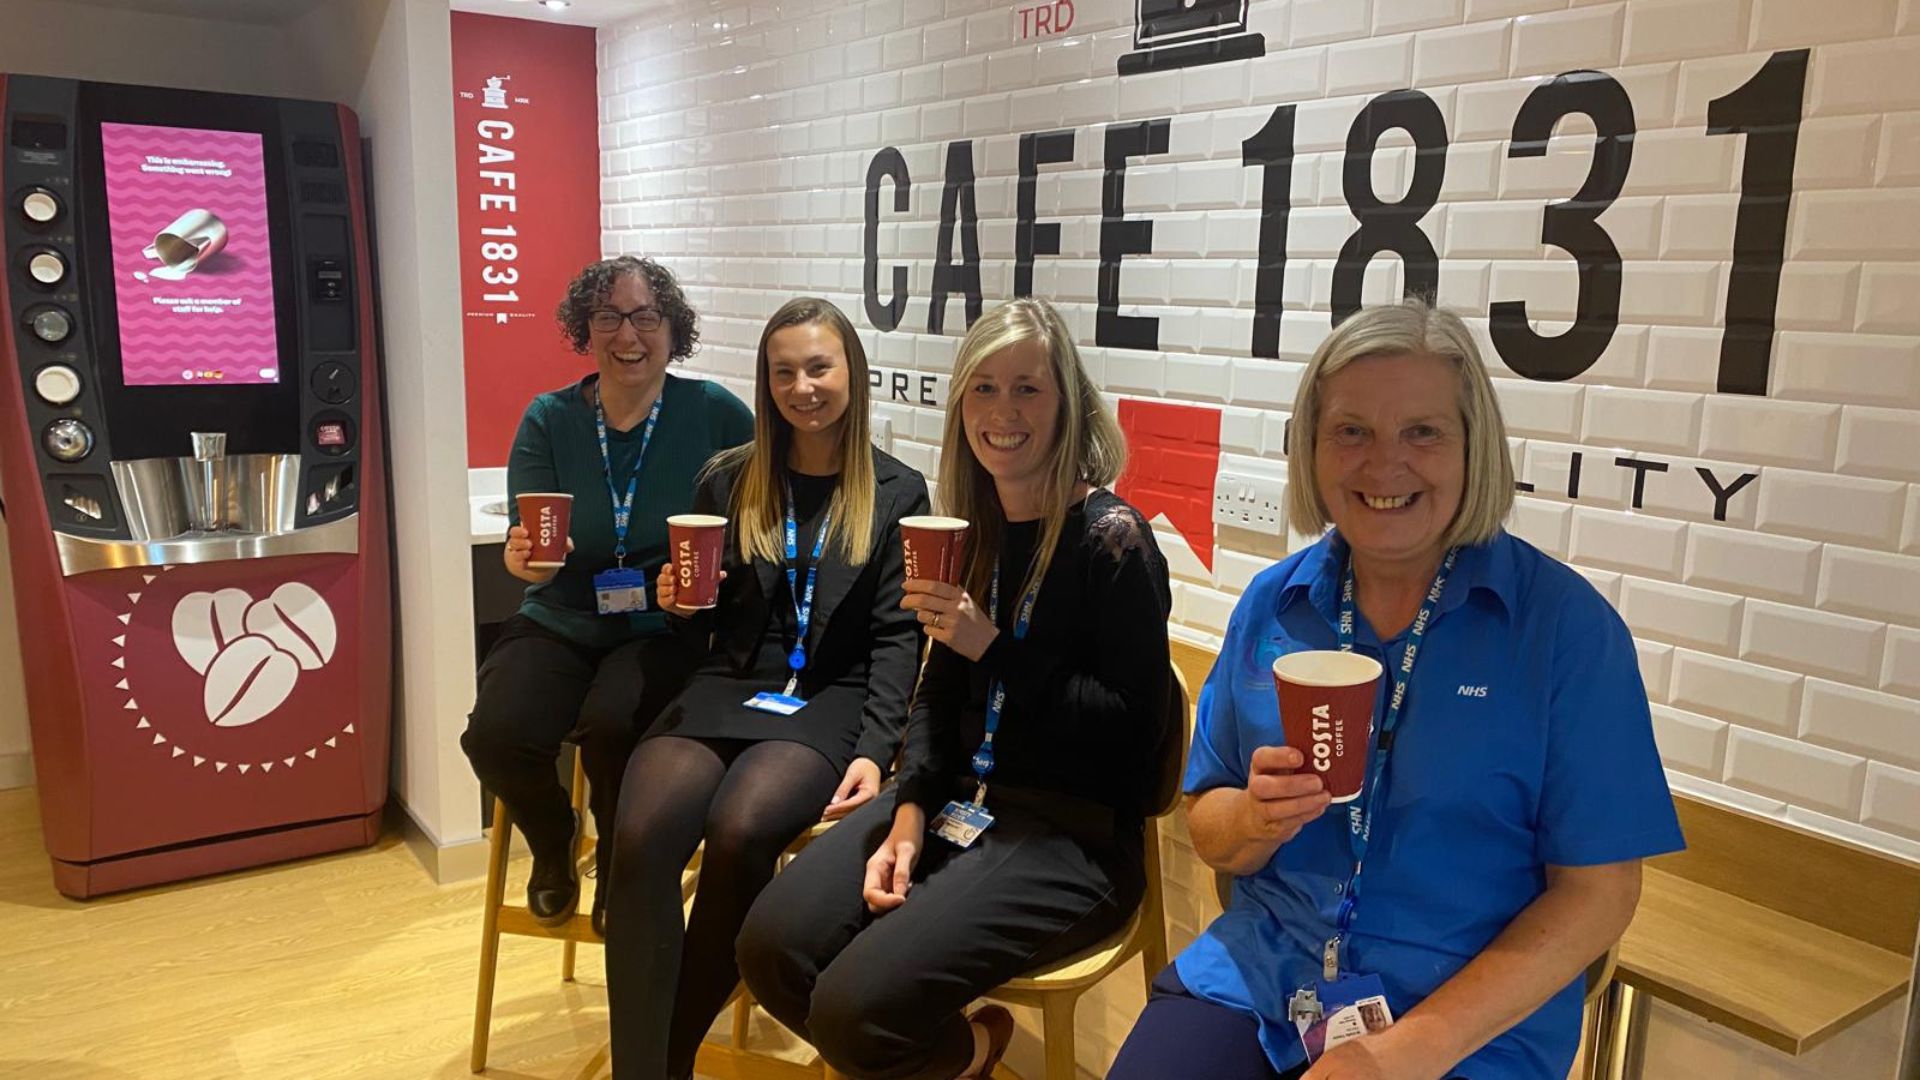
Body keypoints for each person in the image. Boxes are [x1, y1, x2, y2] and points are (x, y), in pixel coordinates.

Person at [1107, 299, 1684, 1080]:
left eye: (1423, 432)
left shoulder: (1565, 633)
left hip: (1464, 1024)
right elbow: (1205, 823)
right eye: (1351, 432)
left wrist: (1407, 1052)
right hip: (1264, 980)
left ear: (1474, 449)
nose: (1384, 465)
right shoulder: (1272, 608)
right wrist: (1252, 816)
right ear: (1312, 448)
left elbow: (1601, 894)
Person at [736, 297, 1174, 1080]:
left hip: (1072, 835)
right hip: (959, 804)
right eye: (983, 388)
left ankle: (958, 1053)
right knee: (770, 947)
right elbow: (936, 696)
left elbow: (1131, 741)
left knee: (852, 1010)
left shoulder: (1116, 543)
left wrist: (997, 650)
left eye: (1027, 388)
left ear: (1068, 401)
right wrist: (907, 813)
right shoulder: (969, 529)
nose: (1002, 412)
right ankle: (960, 1055)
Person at [602, 298, 929, 1080]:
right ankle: (644, 1068)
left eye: (819, 367)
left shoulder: (897, 493)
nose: (802, 387)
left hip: (831, 697)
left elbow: (897, 639)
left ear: (852, 370)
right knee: (641, 838)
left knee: (743, 829)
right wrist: (676, 603)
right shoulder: (731, 479)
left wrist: (878, 749)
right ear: (765, 382)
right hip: (731, 682)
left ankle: (663, 1060)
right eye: (783, 372)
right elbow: (698, 626)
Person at [461, 256, 753, 935]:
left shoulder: (714, 414)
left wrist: (716, 580)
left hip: (660, 624)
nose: (629, 334)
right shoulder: (550, 419)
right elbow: (527, 546)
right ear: (585, 331)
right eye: (609, 317)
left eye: (646, 316)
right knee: (496, 736)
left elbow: (762, 516)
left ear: (671, 329)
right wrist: (521, 559)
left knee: (616, 727)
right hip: (561, 614)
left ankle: (622, 860)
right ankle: (553, 841)